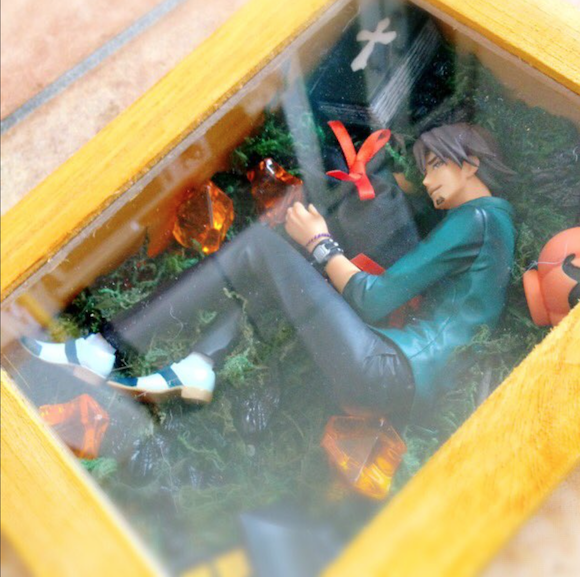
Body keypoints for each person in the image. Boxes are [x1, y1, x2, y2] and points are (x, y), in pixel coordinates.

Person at [22, 123, 516, 428]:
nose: (427, 179)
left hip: (389, 367)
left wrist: (320, 243)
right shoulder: (493, 231)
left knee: (259, 246)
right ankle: (200, 363)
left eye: (435, 165)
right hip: (399, 382)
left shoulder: (480, 217)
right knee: (288, 276)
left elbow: (373, 297)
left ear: (470, 164)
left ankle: (106, 344)